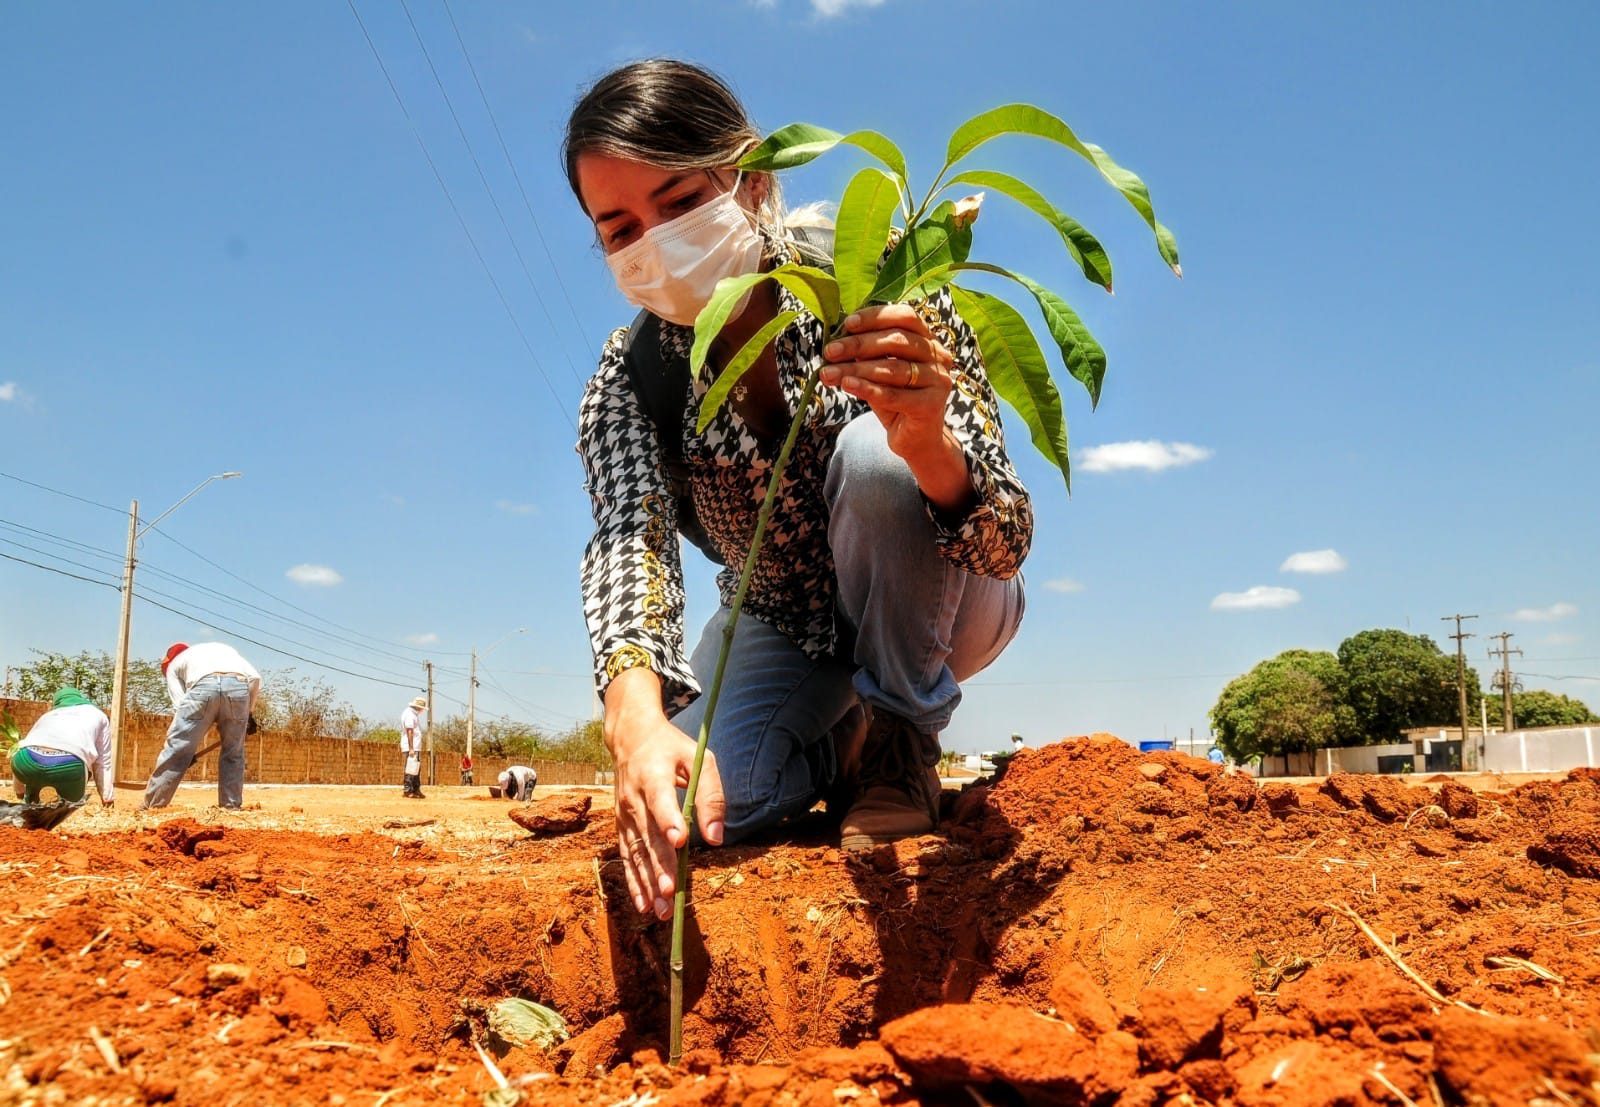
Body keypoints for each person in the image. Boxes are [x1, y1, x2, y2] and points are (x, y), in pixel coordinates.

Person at [566, 60, 1030, 920]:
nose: (654, 242)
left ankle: (900, 738)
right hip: (784, 622)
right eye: (618, 227)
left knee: (876, 457)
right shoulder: (632, 378)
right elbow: (629, 534)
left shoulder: (876, 283)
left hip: (951, 595)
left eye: (678, 203)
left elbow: (1005, 539)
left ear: (752, 182)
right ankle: (839, 746)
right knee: (707, 808)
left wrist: (928, 441)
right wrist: (634, 717)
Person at [143, 642, 261, 810]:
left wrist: (182, 750)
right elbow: (255, 678)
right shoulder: (223, 650)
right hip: (238, 687)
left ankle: (153, 805)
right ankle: (231, 806)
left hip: (203, 686)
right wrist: (248, 712)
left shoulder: (174, 665)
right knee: (234, 753)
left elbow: (179, 708)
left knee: (176, 750)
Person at [10, 688, 114, 808]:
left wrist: (19, 792)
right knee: (67, 804)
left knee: (34, 765)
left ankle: (30, 804)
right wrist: (108, 799)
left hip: (27, 762)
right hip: (69, 765)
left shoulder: (47, 716)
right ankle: (65, 805)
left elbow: (24, 747)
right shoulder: (99, 715)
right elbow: (103, 762)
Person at [399, 695, 427, 798]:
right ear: (418, 707)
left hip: (415, 746)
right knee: (410, 768)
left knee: (416, 769)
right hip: (411, 746)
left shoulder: (413, 714)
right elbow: (409, 731)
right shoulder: (409, 714)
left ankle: (416, 789)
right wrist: (411, 748)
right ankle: (408, 790)